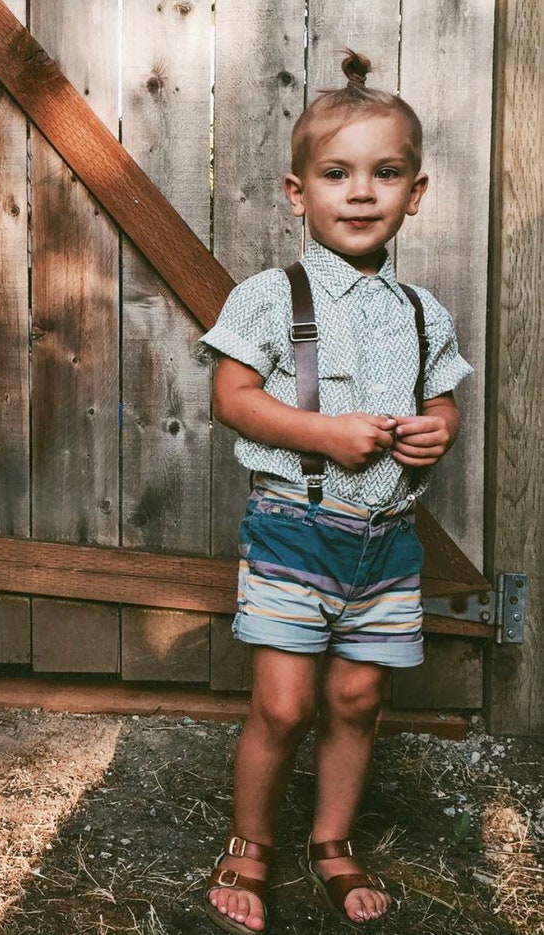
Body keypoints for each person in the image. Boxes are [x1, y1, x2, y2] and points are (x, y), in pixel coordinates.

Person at [200, 50, 473, 933]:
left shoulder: (426, 312)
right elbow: (232, 399)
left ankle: (331, 838)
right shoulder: (270, 297)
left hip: (387, 538)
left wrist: (441, 426)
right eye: (337, 174)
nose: (361, 193)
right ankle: (250, 840)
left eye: (385, 174)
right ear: (297, 192)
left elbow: (441, 398)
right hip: (293, 529)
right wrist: (324, 432)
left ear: (414, 193)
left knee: (358, 698)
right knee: (283, 702)